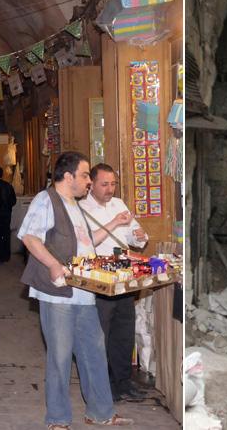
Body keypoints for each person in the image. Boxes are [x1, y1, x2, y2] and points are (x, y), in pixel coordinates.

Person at [19, 151, 135, 428]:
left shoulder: (76, 205)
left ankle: (100, 411)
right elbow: (29, 236)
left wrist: (114, 223)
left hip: (83, 293)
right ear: (68, 176)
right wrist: (52, 264)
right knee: (59, 356)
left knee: (93, 351)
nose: (88, 181)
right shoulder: (46, 199)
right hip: (57, 293)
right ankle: (58, 418)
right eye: (85, 175)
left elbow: (87, 242)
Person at [80, 164, 149, 401]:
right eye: (104, 184)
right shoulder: (81, 208)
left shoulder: (119, 204)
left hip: (123, 274)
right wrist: (116, 225)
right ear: (92, 184)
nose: (110, 189)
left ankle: (123, 381)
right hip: (99, 276)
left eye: (113, 184)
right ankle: (103, 383)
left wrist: (139, 236)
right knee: (100, 332)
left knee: (124, 330)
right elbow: (84, 243)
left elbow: (135, 234)